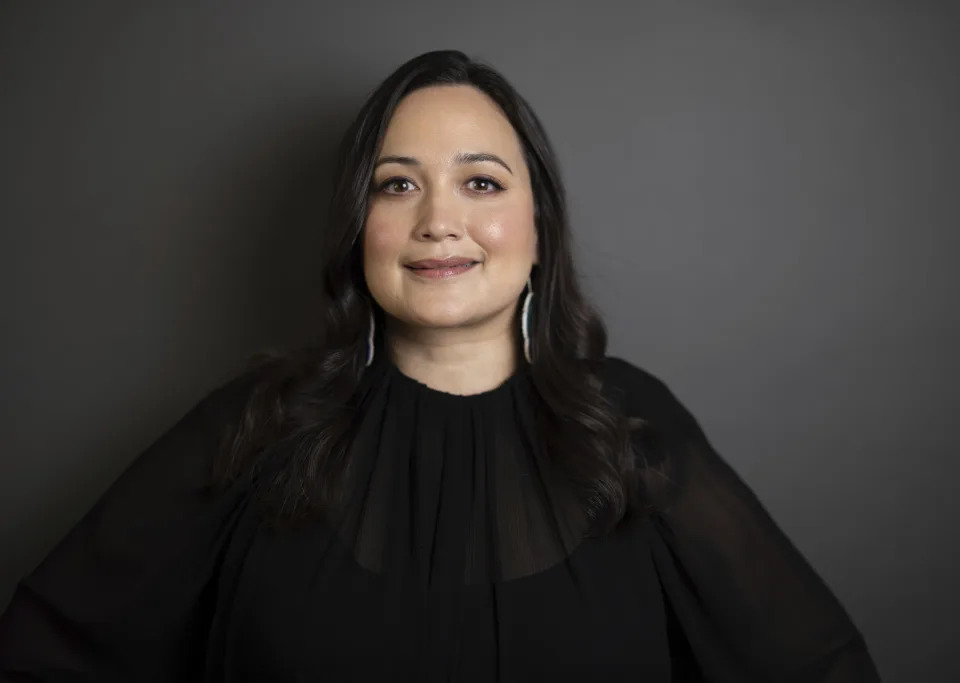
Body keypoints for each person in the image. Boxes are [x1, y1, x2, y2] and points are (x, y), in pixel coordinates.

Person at [0, 49, 881, 682]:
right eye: (397, 183)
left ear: (540, 232)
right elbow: (43, 651)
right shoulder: (257, 422)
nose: (437, 220)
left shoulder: (633, 426)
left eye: (483, 183)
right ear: (359, 228)